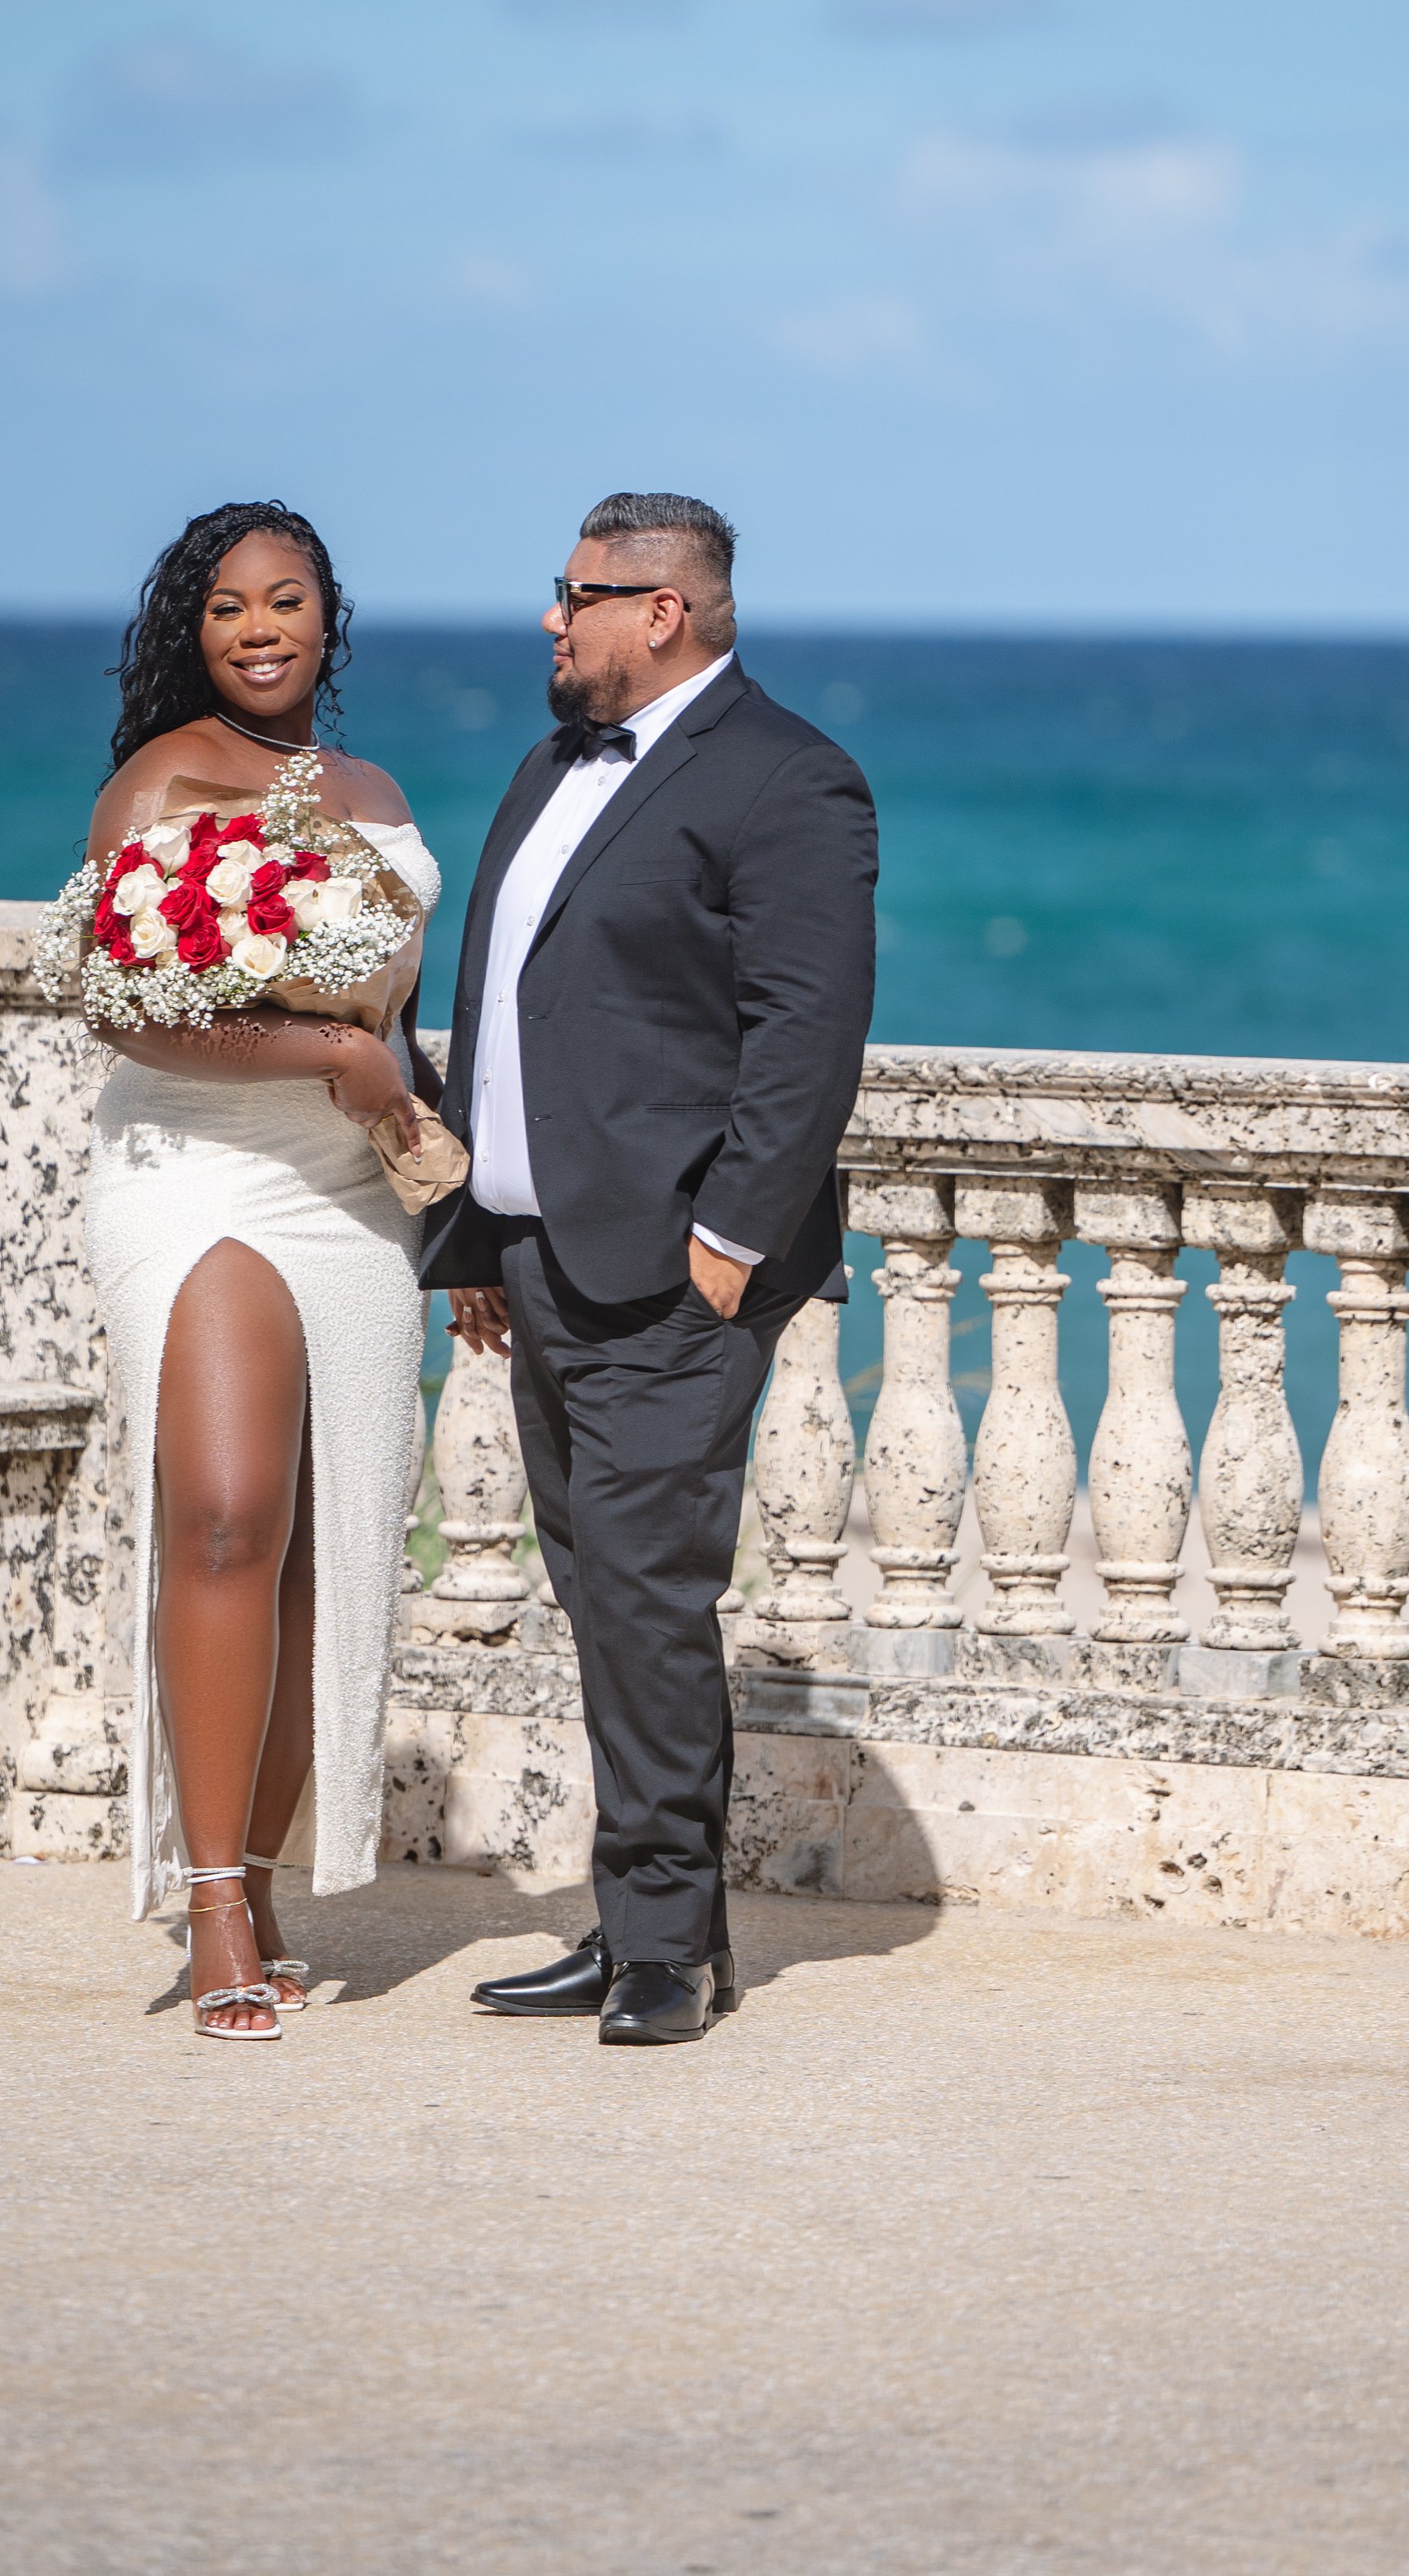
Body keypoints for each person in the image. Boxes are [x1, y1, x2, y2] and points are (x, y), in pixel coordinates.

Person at [421, 491, 875, 2044]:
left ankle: (667, 1953)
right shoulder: (551, 762)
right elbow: (501, 1013)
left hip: (677, 1279)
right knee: (597, 1599)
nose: (552, 621)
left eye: (577, 595)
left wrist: (727, 1245)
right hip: (540, 1263)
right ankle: (631, 1924)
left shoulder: (789, 778)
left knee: (646, 1597)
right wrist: (476, 1228)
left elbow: (804, 1038)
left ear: (662, 610)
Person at [81, 502, 440, 2038]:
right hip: (195, 1166)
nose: (256, 629)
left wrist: (448, 1201)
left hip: (354, 1188)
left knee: (322, 1542)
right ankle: (210, 1895)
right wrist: (325, 1051)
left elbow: (408, 1020)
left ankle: (266, 1872)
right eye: (224, 607)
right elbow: (120, 999)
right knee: (226, 1507)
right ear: (193, 628)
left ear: (325, 616)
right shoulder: (160, 779)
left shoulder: (372, 790)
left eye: (283, 600)